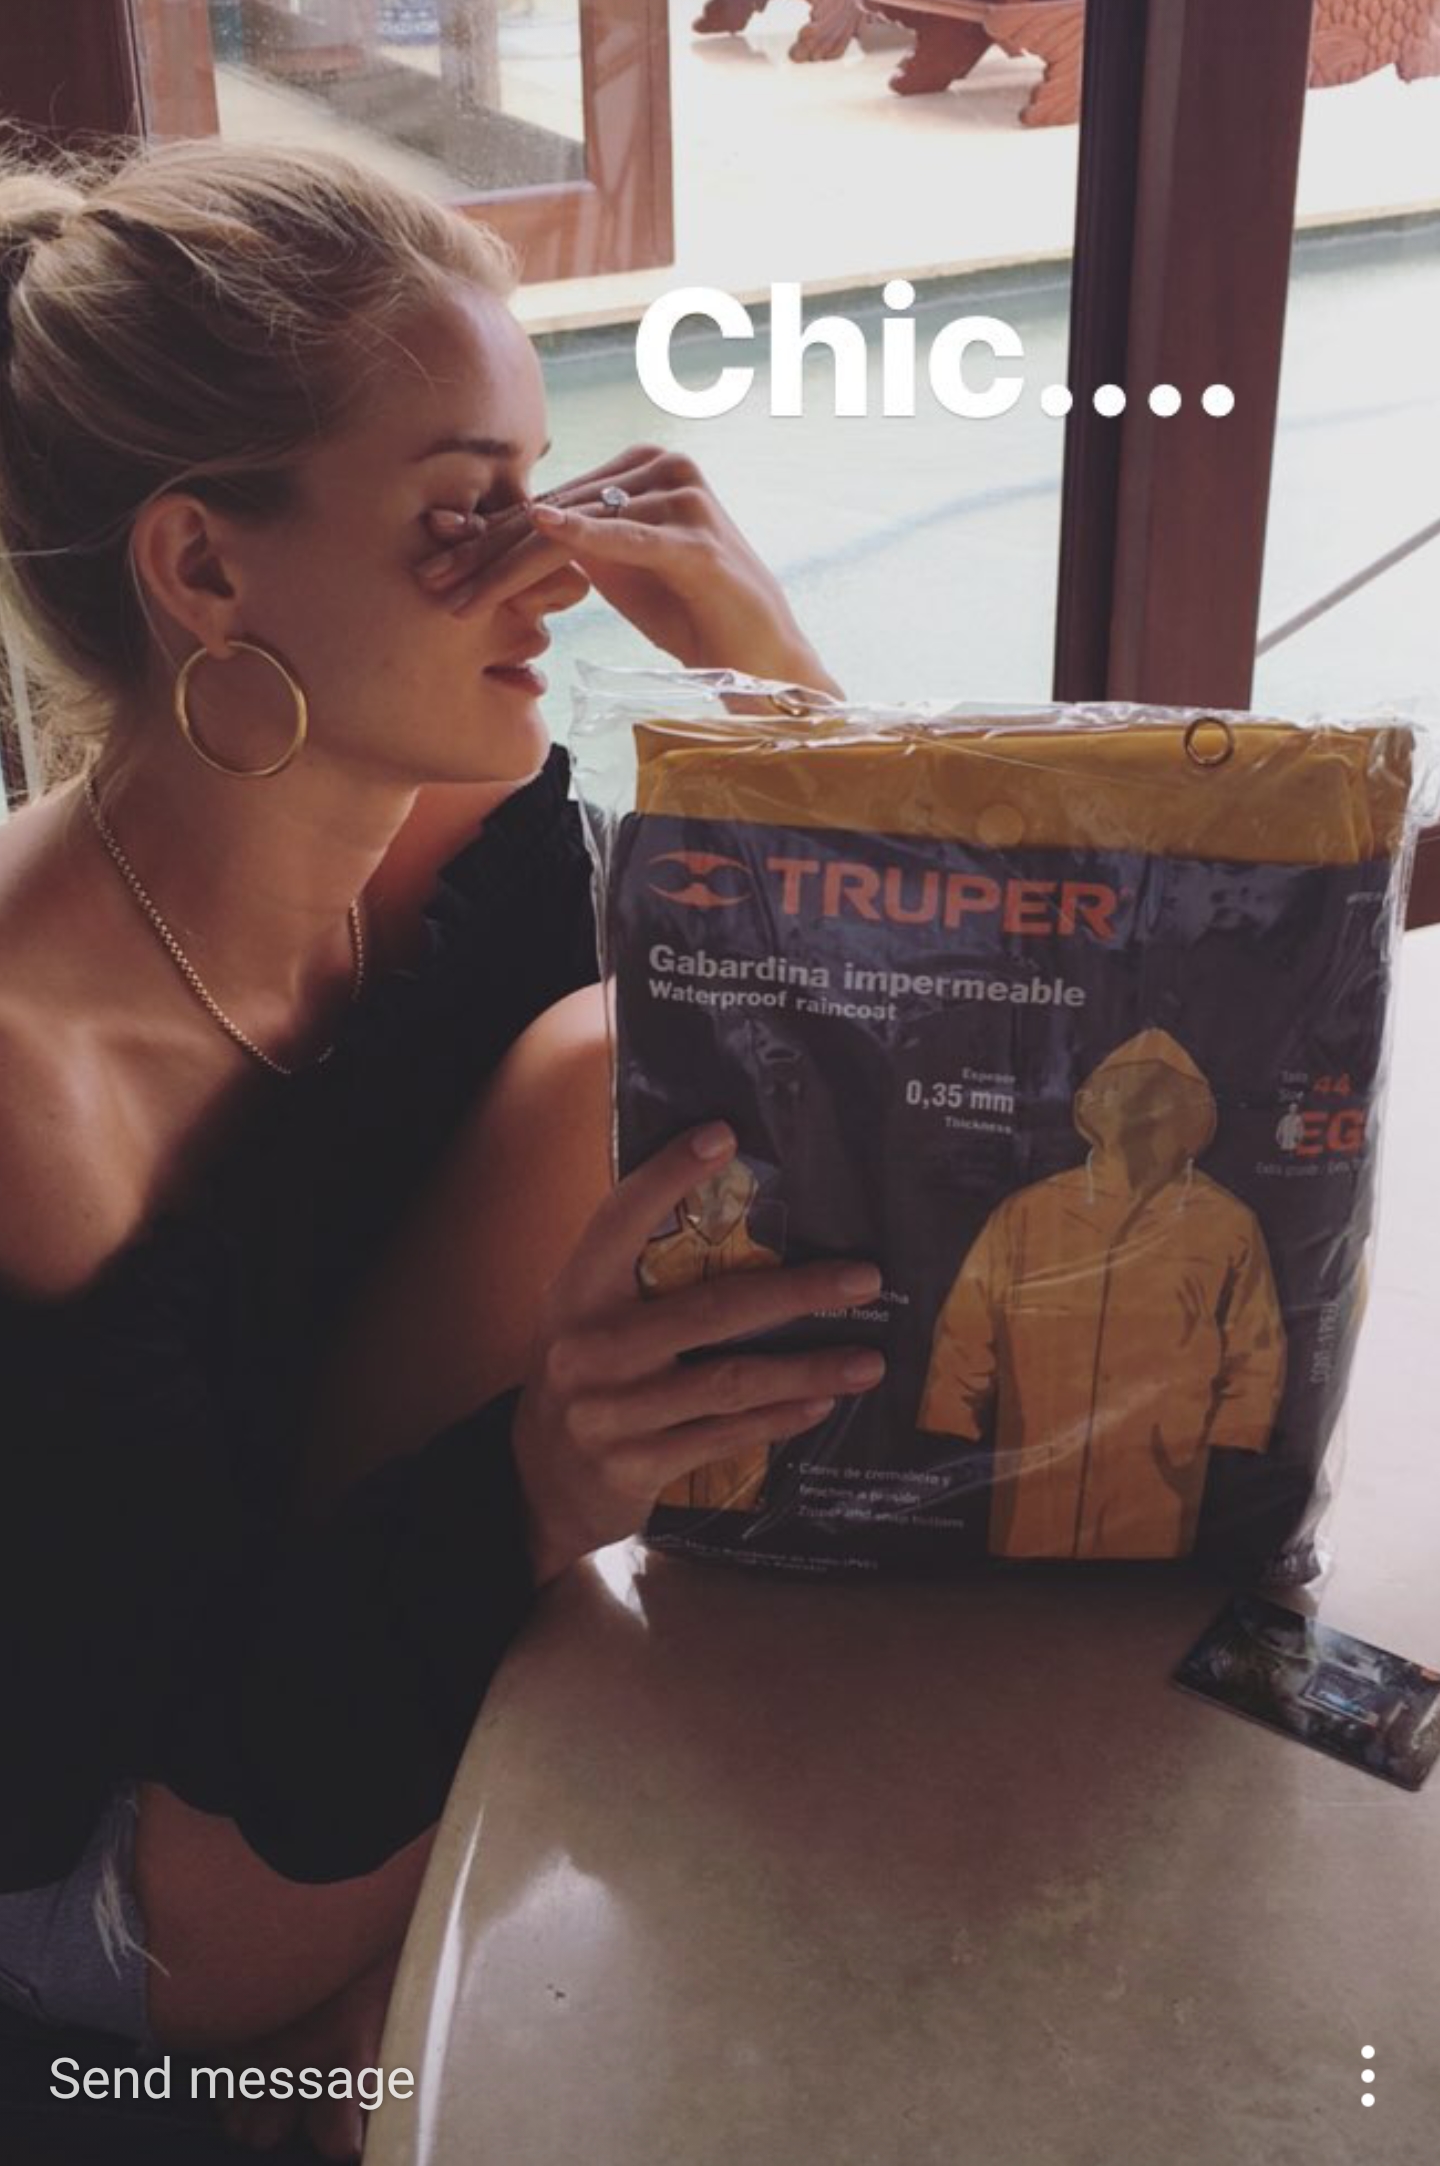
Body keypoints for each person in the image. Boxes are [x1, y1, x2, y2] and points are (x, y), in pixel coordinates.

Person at [0, 131, 888, 2159]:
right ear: (203, 570)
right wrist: (530, 1485)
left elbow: (881, 1033)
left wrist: (770, 671)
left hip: (331, 1617)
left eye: (543, 489)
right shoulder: (30, 1084)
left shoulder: (454, 841)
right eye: (463, 515)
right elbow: (120, 1728)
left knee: (640, 1048)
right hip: (144, 1871)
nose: (555, 567)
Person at [917, 1030, 1286, 1560]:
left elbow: (1256, 1342)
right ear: (1099, 1111)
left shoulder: (1227, 1223)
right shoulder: (1031, 1211)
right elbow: (969, 1320)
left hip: (1160, 1459)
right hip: (1039, 1447)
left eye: (1164, 1105)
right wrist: (951, 1413)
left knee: (1143, 1574)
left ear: (1192, 1119)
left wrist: (1239, 1434)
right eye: (1130, 1099)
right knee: (1027, 1562)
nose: (1146, 1117)